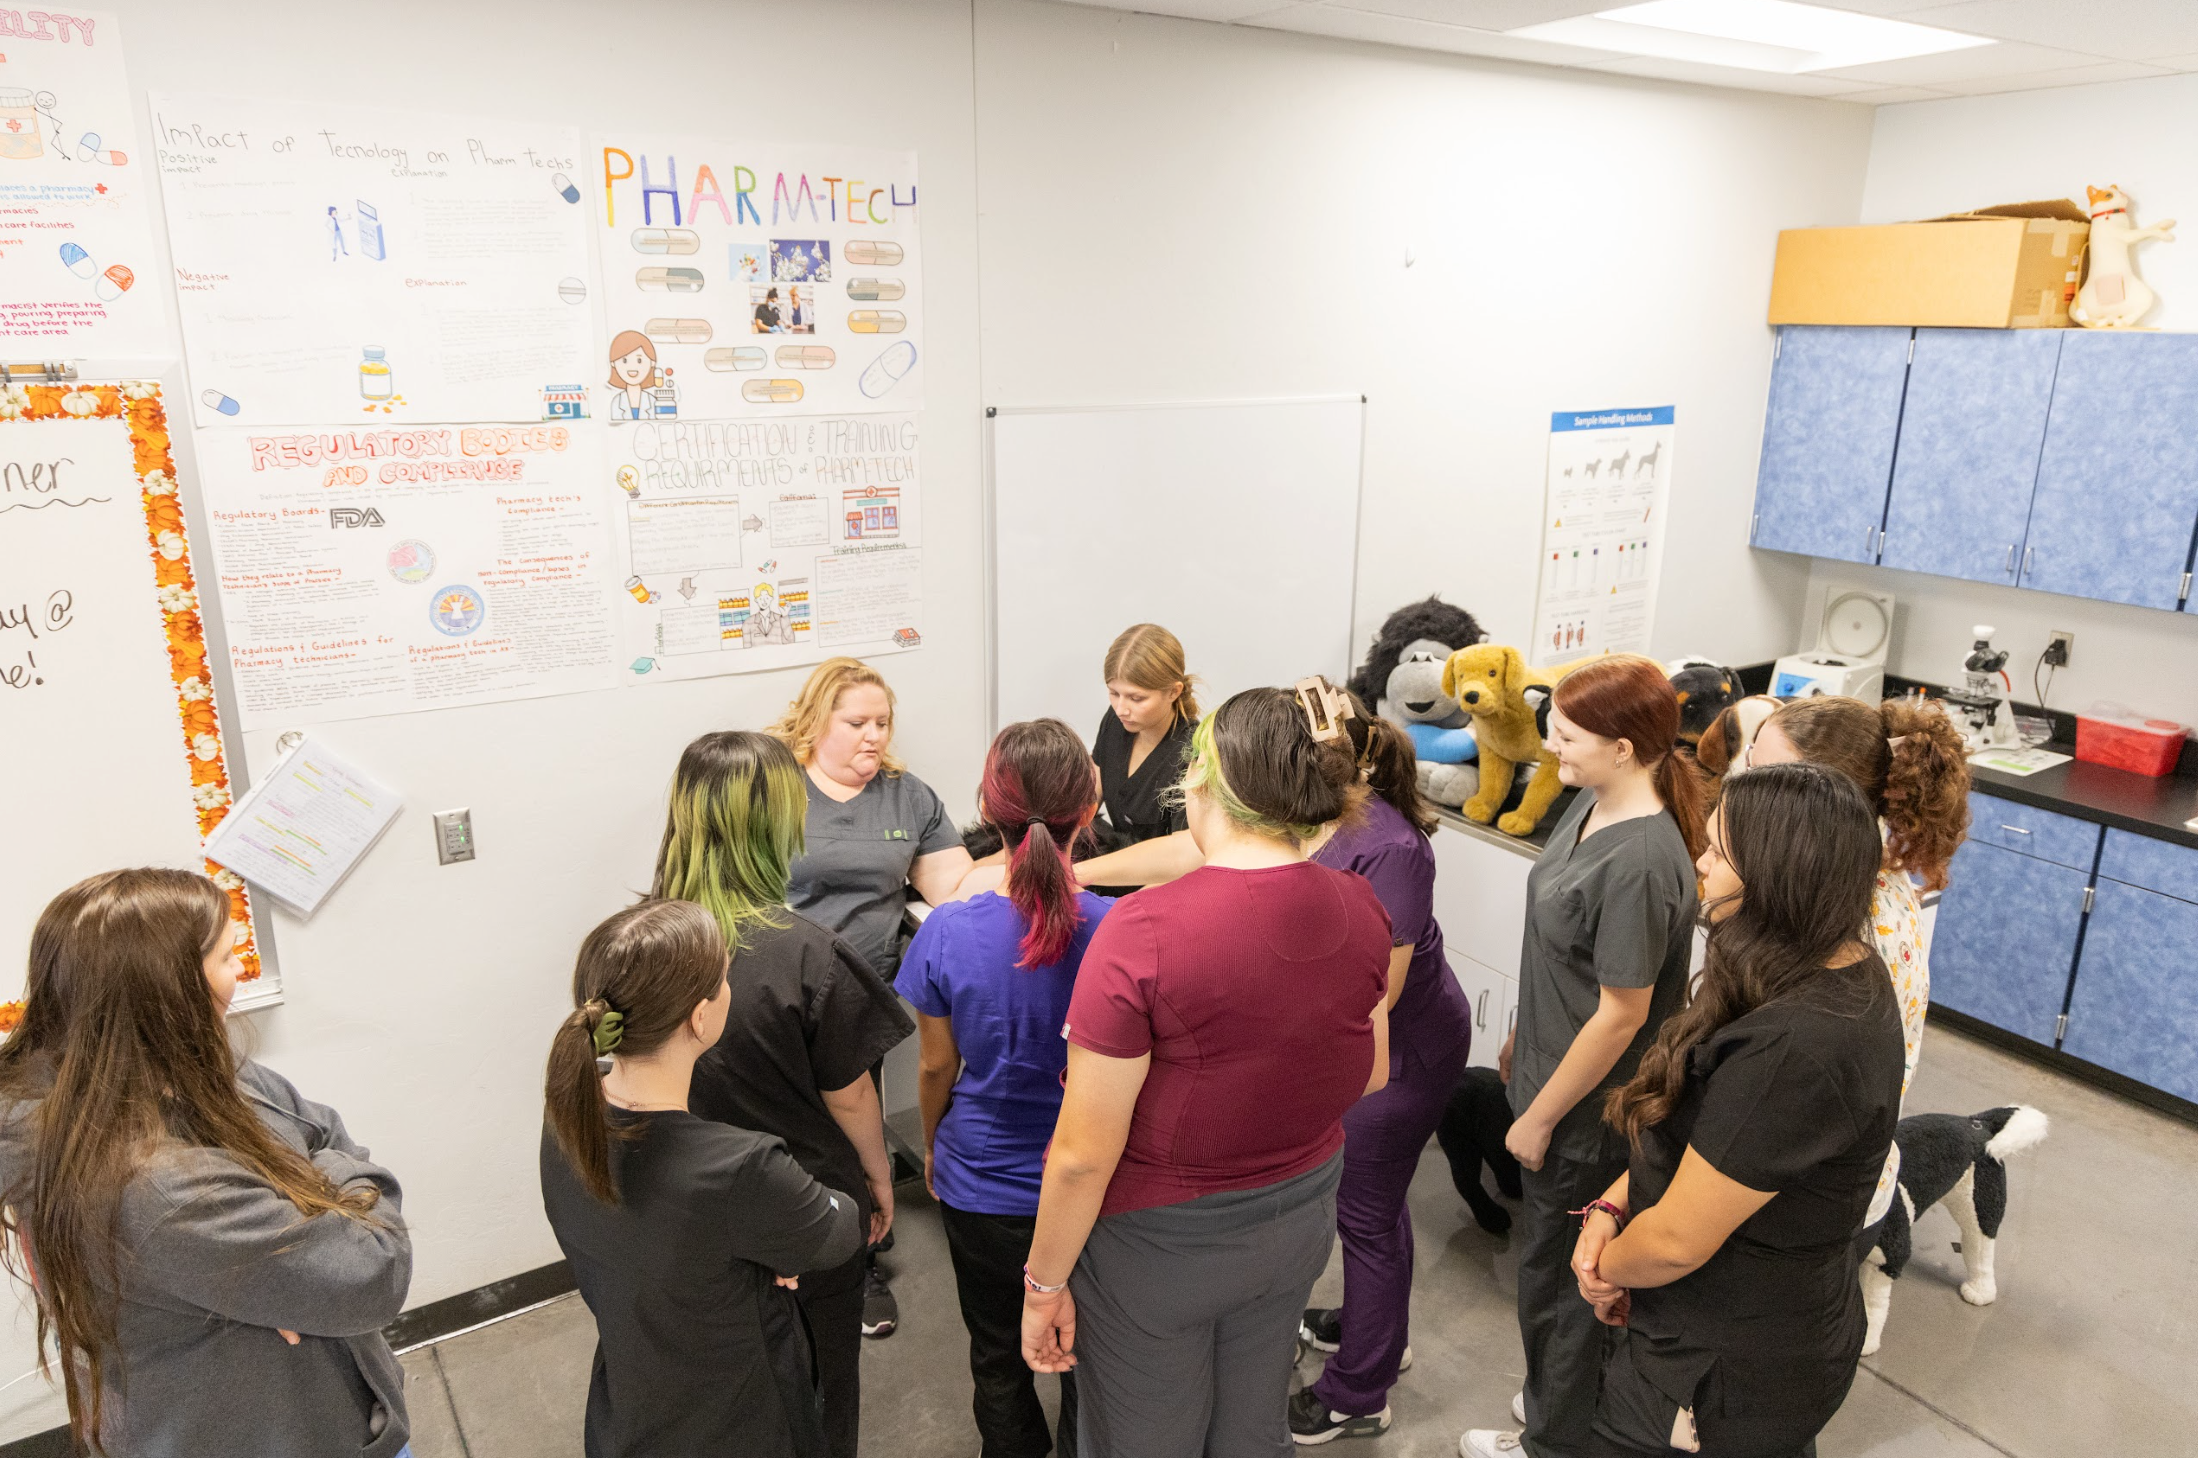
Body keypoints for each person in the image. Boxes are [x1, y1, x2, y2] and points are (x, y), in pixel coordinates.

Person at [1020, 685, 1393, 1457]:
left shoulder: (1143, 932)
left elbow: (1084, 1155)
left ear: (1200, 782)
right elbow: (1372, 1071)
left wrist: (1044, 1284)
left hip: (1161, 1245)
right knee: (1250, 1427)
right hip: (1297, 1219)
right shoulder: (1361, 904)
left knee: (1143, 1434)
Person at [0, 869, 412, 1458]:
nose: (241, 968)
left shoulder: (138, 1073)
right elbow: (374, 1270)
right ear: (169, 990)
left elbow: (313, 1120)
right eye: (226, 956)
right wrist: (331, 1190)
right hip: (270, 1433)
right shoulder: (162, 1190)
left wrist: (280, 1271)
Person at [1571, 763, 1904, 1458]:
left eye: (1719, 854)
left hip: (1722, 1369)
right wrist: (1609, 1210)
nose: (1700, 863)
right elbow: (1714, 1151)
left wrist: (1611, 1268)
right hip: (1741, 1320)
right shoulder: (1823, 967)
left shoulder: (1795, 1048)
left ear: (1778, 879)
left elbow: (1674, 1243)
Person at [1462, 653, 1704, 1458]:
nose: (1549, 745)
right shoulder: (1589, 803)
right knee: (1543, 1280)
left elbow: (1620, 1014)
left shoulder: (1639, 859)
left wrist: (1536, 1116)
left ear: (1626, 748)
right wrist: (1521, 1036)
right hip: (1550, 1072)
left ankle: (1553, 1439)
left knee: (1567, 1290)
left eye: (1565, 735)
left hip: (1585, 1115)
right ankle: (1553, 1400)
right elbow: (1563, 957)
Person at [654, 730, 915, 1458]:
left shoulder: (636, 941)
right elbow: (851, 1097)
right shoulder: (807, 953)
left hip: (684, 1213)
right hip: (804, 1207)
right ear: (776, 824)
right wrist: (876, 1178)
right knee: (821, 1388)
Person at [540, 899, 864, 1458]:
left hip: (632, 1409)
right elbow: (840, 1230)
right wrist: (775, 1237)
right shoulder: (739, 1169)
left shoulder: (567, 1122)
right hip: (742, 1424)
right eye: (723, 980)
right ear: (699, 1017)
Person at [896, 719, 1112, 1457]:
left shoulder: (948, 932)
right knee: (1095, 1357)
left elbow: (935, 1069)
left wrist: (933, 1148)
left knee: (996, 1352)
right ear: (1092, 807)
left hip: (982, 1182)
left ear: (988, 814)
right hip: (1099, 1190)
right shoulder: (1122, 930)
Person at [1290, 681, 1476, 1444]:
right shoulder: (1322, 816)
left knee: (1364, 1212)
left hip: (1399, 1052)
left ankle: (1359, 1390)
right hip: (1371, 1041)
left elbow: (1376, 993)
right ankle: (1375, 1331)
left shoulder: (1393, 847)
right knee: (1372, 1201)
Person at [770, 655, 972, 1337]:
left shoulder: (907, 797)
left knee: (852, 1138)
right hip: (777, 991)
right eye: (857, 722)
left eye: (882, 722)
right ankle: (785, 1266)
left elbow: (955, 890)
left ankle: (858, 1268)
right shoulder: (775, 789)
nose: (874, 736)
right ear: (815, 722)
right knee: (783, 1135)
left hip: (862, 997)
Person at [1742, 695, 1969, 1240]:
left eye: (1764, 777)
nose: (1742, 793)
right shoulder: (1874, 871)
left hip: (1807, 1195)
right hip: (1838, 1170)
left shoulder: (1840, 920)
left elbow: (1787, 1081)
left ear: (1824, 799)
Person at [1091, 623, 1202, 845]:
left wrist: (1082, 874)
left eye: (1137, 698)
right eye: (1114, 693)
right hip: (1114, 861)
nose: (1121, 709)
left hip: (1159, 875)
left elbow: (1182, 856)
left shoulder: (1192, 752)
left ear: (1174, 691)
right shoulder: (1116, 721)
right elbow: (1086, 800)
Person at [606, 329, 667, 420]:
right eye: (624, 360)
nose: (632, 367)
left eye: (639, 360)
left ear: (652, 363)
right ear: (613, 363)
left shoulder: (653, 401)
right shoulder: (616, 402)